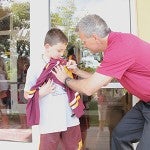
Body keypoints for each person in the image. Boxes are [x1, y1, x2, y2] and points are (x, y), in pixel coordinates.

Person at [52, 14, 150, 150]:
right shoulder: (115, 45)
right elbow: (101, 81)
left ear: (94, 37)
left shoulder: (120, 48)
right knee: (120, 135)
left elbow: (88, 88)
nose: (84, 45)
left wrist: (65, 79)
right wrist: (77, 71)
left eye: (84, 41)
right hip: (146, 103)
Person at [24, 28, 84, 150]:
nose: (62, 54)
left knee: (73, 146)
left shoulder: (64, 63)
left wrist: (73, 71)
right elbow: (26, 94)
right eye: (59, 50)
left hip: (69, 115)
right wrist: (41, 92)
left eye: (63, 50)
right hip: (49, 118)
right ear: (47, 46)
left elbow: (72, 85)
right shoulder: (36, 66)